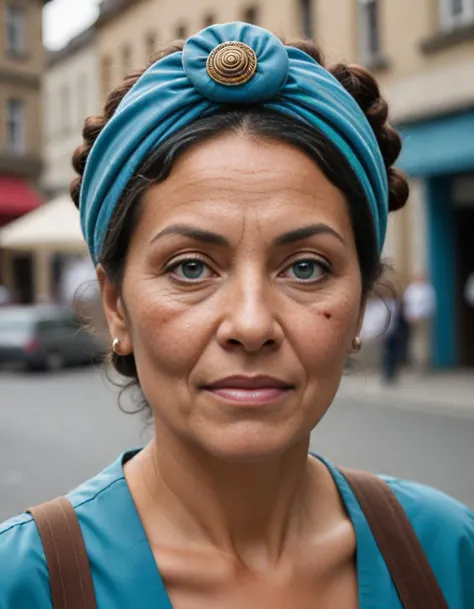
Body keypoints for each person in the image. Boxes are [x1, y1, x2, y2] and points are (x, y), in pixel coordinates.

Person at [1, 22, 473, 608]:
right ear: (116, 305)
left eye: (305, 268)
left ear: (360, 304)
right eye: (191, 267)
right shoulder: (21, 583)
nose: (251, 325)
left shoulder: (449, 555)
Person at [403, 273, 436, 372]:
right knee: (413, 341)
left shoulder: (428, 290)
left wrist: (420, 316)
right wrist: (410, 316)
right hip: (412, 320)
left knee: (424, 341)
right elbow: (407, 304)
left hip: (423, 319)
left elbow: (430, 305)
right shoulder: (411, 289)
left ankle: (424, 363)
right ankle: (414, 363)